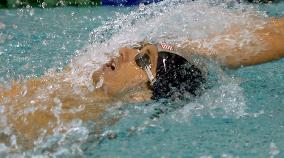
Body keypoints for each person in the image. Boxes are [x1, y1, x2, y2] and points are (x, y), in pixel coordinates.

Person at [0, 16, 283, 148]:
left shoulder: (73, 117)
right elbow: (265, 36)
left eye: (141, 60)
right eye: (138, 48)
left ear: (143, 96)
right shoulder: (82, 94)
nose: (124, 52)